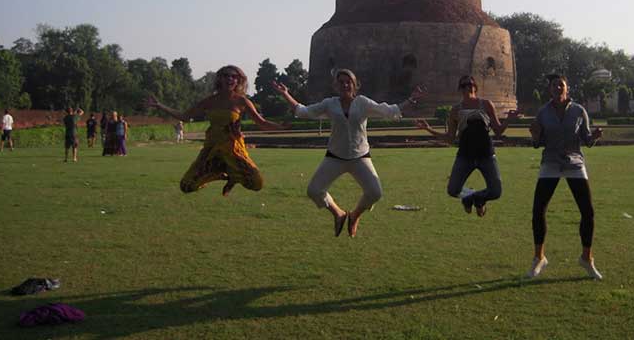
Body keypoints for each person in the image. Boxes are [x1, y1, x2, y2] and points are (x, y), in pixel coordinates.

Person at [273, 69, 426, 238]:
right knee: (314, 190)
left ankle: (354, 216)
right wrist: (285, 94)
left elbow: (388, 111)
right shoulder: (329, 104)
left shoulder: (362, 103)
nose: (345, 85)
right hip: (335, 156)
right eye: (341, 82)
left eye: (348, 82)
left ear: (354, 85)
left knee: (375, 192)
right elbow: (304, 111)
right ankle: (338, 213)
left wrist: (411, 99)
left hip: (359, 156)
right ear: (336, 85)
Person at [146, 65, 286, 197]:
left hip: (233, 149)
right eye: (226, 75)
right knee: (187, 186)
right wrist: (159, 105)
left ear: (238, 80)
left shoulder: (241, 101)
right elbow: (185, 116)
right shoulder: (210, 101)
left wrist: (282, 127)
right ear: (220, 79)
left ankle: (233, 177)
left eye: (234, 76)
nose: (230, 79)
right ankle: (217, 174)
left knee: (257, 184)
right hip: (211, 148)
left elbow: (262, 123)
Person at [526, 74, 604, 280]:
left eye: (561, 85)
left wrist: (594, 137)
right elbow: (537, 143)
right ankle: (539, 258)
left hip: (574, 162)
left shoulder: (579, 111)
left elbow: (586, 140)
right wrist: (534, 136)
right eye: (554, 85)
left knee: (588, 212)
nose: (558, 88)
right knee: (538, 211)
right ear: (550, 89)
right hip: (551, 162)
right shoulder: (543, 112)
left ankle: (587, 258)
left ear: (567, 88)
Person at [416, 75, 519, 217]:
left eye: (470, 84)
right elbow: (450, 138)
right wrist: (428, 129)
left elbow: (498, 131)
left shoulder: (486, 104)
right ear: (460, 89)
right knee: (453, 190)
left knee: (496, 191)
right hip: (465, 155)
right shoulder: (456, 110)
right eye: (464, 85)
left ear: (475, 87)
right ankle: (470, 196)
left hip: (486, 154)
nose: (468, 87)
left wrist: (509, 120)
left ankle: (476, 199)